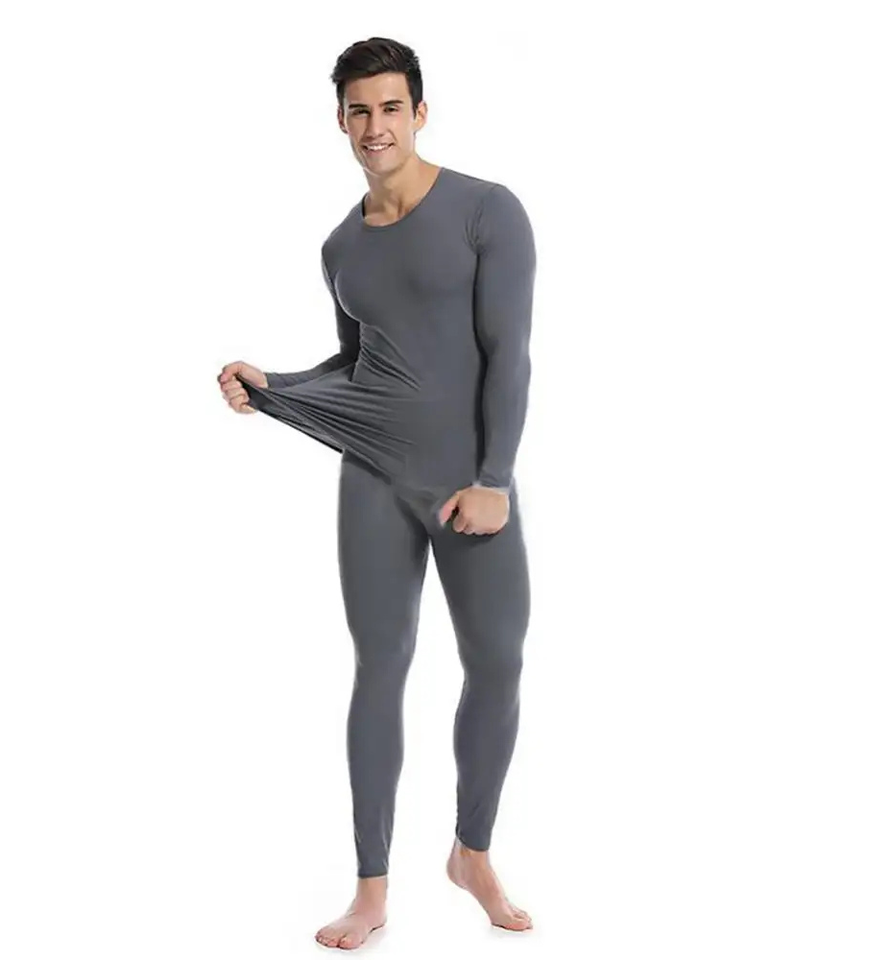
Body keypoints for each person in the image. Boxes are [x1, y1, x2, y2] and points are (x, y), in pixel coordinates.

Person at [218, 37, 536, 950]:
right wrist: (273, 385)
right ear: (341, 120)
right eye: (359, 110)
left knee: (498, 664)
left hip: (469, 484)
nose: (376, 126)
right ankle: (370, 888)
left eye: (392, 107)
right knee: (380, 668)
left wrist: (494, 480)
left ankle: (472, 852)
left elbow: (510, 355)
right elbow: (358, 368)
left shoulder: (488, 210)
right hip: (372, 482)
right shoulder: (340, 247)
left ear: (419, 113)